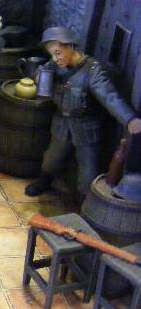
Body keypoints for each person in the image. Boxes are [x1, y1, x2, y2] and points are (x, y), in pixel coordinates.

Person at [24, 27, 141, 197]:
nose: (55, 58)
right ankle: (44, 180)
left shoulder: (92, 71)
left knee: (88, 171)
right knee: (51, 158)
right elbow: (42, 73)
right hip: (62, 124)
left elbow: (110, 97)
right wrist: (39, 76)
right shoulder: (55, 65)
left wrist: (129, 119)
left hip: (86, 127)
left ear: (70, 46)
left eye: (58, 53)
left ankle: (85, 201)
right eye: (52, 54)